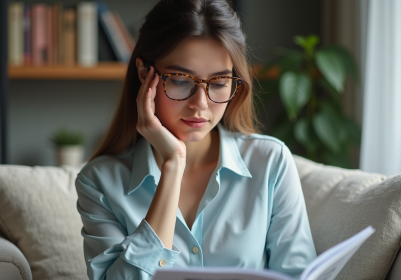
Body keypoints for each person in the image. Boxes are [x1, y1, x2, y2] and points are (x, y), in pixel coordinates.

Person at [75, 0, 317, 279]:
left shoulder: (271, 163)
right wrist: (172, 166)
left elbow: (300, 274)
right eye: (180, 79)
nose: (200, 104)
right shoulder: (99, 182)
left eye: (218, 83)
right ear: (144, 73)